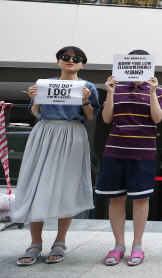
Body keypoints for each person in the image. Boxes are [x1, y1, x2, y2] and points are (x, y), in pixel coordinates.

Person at [12, 46, 100, 266]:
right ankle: (35, 242)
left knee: (67, 186)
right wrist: (36, 97)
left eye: (76, 58)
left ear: (83, 64)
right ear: (58, 61)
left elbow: (90, 116)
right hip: (45, 131)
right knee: (37, 183)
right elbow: (36, 112)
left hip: (72, 133)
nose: (71, 60)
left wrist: (85, 101)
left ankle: (60, 241)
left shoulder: (87, 86)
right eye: (66, 57)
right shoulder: (44, 83)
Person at [96, 50, 162, 266]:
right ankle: (119, 245)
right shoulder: (116, 88)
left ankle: (138, 245)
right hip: (115, 149)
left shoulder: (158, 90)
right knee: (116, 198)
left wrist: (153, 92)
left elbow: (157, 118)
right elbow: (107, 118)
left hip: (143, 152)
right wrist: (109, 92)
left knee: (140, 198)